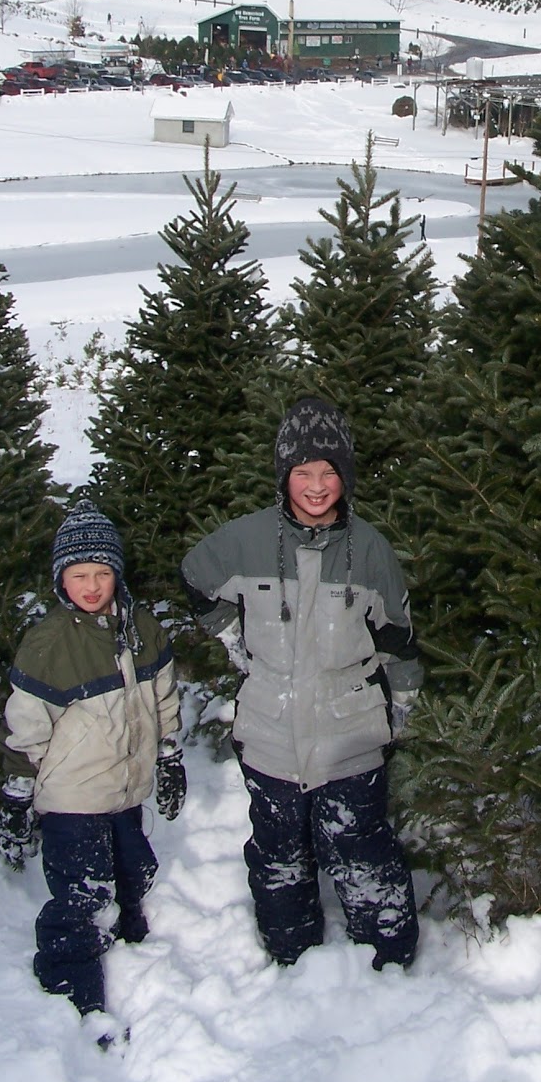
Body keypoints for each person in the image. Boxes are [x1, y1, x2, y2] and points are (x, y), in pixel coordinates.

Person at [181, 397, 421, 970]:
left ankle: (388, 960)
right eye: (303, 472)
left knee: (362, 849)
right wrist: (228, 633)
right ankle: (289, 953)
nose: (317, 486)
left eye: (329, 472)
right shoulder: (246, 540)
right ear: (284, 476)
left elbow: (398, 636)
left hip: (350, 736)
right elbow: (194, 574)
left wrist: (406, 704)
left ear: (346, 476)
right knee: (279, 853)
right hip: (269, 731)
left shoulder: (371, 550)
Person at [0, 499, 185, 1029]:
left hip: (125, 791)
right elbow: (25, 726)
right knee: (84, 892)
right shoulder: (50, 644)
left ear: (116, 574)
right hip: (72, 798)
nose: (93, 586)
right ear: (62, 579)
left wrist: (169, 757)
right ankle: (70, 986)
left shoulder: (141, 629)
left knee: (133, 869)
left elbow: (164, 698)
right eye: (80, 575)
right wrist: (17, 794)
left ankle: (130, 952)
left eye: (102, 573)